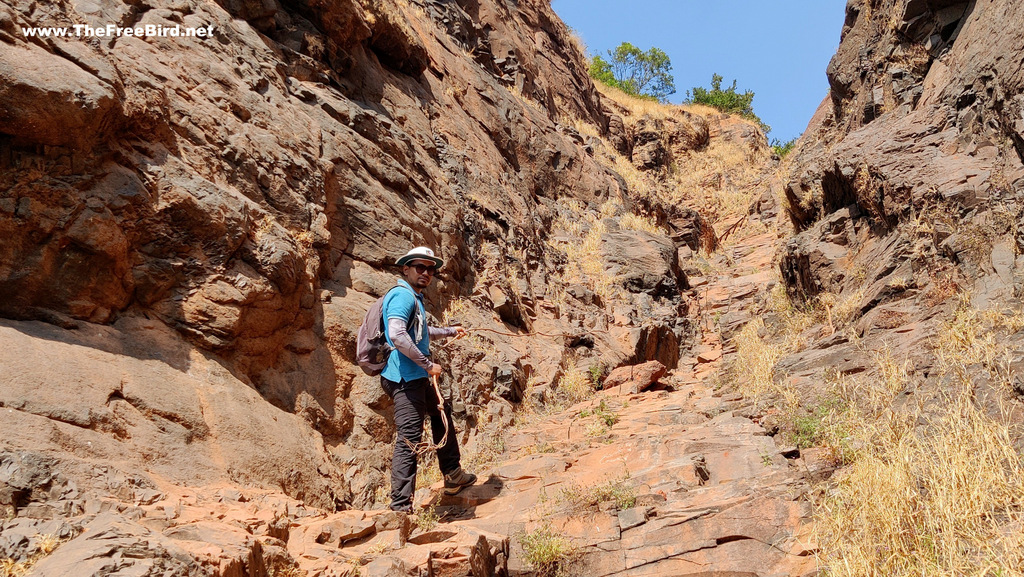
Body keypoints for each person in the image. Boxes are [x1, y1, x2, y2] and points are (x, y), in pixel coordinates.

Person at [380, 246, 477, 513]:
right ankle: (400, 508)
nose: (425, 273)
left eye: (430, 269)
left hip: (416, 377)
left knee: (440, 413)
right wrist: (427, 364)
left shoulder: (415, 297)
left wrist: (449, 331)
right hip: (404, 378)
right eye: (419, 267)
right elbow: (398, 335)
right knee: (409, 439)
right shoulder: (402, 296)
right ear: (406, 269)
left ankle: (453, 474)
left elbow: (420, 332)